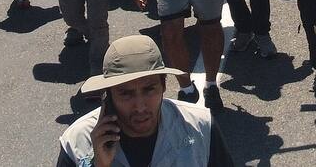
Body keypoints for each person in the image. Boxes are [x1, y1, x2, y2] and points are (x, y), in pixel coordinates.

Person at [55, 35, 235, 167]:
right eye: (126, 94)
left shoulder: (200, 126)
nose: (140, 107)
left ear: (163, 86)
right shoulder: (78, 142)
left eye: (149, 90)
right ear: (108, 96)